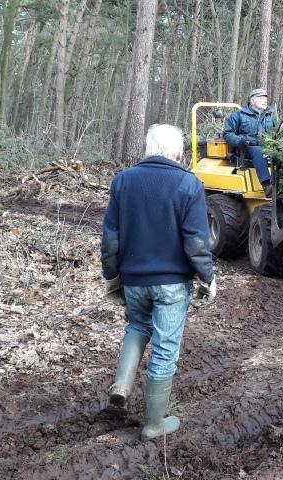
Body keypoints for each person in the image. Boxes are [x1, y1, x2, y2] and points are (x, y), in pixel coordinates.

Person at [100, 124, 216, 439]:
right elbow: (196, 243)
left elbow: (110, 238)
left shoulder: (123, 181)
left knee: (137, 326)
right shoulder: (188, 184)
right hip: (172, 285)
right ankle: (153, 425)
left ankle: (121, 388)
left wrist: (111, 275)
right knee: (165, 347)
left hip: (134, 280)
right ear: (179, 154)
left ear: (148, 149)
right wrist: (207, 277)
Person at [222, 88, 278, 196]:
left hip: (268, 147)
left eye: (265, 98)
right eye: (261, 98)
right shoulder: (238, 115)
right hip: (246, 149)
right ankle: (267, 185)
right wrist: (241, 141)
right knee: (257, 150)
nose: (265, 100)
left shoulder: (270, 116)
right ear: (252, 101)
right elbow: (227, 134)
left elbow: (277, 133)